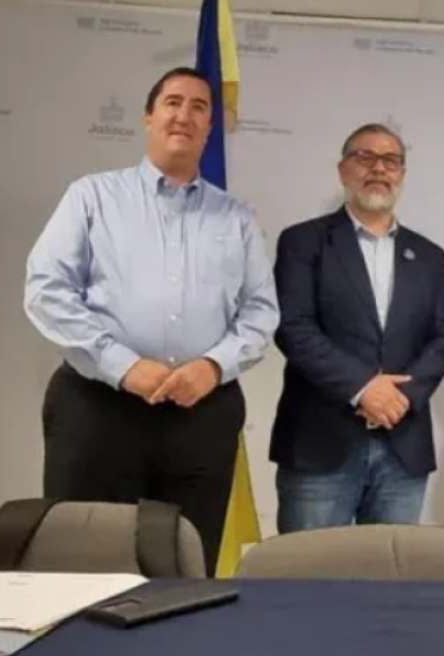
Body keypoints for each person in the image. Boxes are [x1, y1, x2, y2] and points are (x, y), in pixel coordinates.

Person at [23, 66, 279, 575]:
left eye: (199, 107)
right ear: (148, 117)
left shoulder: (236, 217)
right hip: (98, 406)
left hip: (201, 410)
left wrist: (212, 366)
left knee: (184, 566)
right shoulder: (92, 196)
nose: (185, 115)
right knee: (81, 559)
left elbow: (260, 310)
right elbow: (47, 290)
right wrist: (122, 366)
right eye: (173, 102)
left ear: (210, 128)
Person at [270, 123, 444, 533]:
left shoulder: (430, 256)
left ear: (402, 174)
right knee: (310, 570)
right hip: (320, 444)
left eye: (391, 160)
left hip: (403, 446)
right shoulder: (303, 242)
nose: (379, 168)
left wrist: (401, 397)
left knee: (391, 572)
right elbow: (294, 327)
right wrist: (363, 387)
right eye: (365, 157)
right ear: (342, 170)